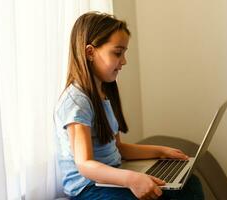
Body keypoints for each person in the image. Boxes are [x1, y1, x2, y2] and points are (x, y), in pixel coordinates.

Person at [54, 11, 204, 200]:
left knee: (190, 185)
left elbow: (119, 148)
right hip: (88, 188)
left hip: (112, 177)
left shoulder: (104, 93)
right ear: (90, 52)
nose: (124, 61)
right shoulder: (76, 101)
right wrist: (131, 179)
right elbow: (85, 164)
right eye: (118, 53)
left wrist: (161, 151)